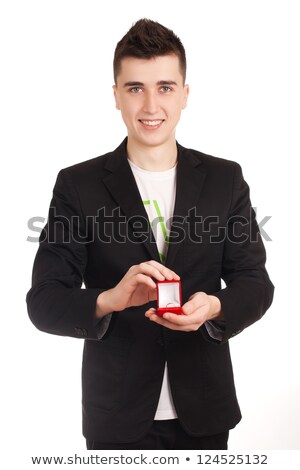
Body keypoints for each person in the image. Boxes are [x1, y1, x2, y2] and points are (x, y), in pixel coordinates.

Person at [26, 19, 274, 450]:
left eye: (164, 87)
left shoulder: (224, 179)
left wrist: (214, 306)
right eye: (135, 88)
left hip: (205, 409)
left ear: (184, 94)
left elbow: (255, 284)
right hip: (116, 416)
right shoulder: (77, 185)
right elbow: (44, 301)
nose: (150, 105)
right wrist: (110, 299)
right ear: (117, 95)